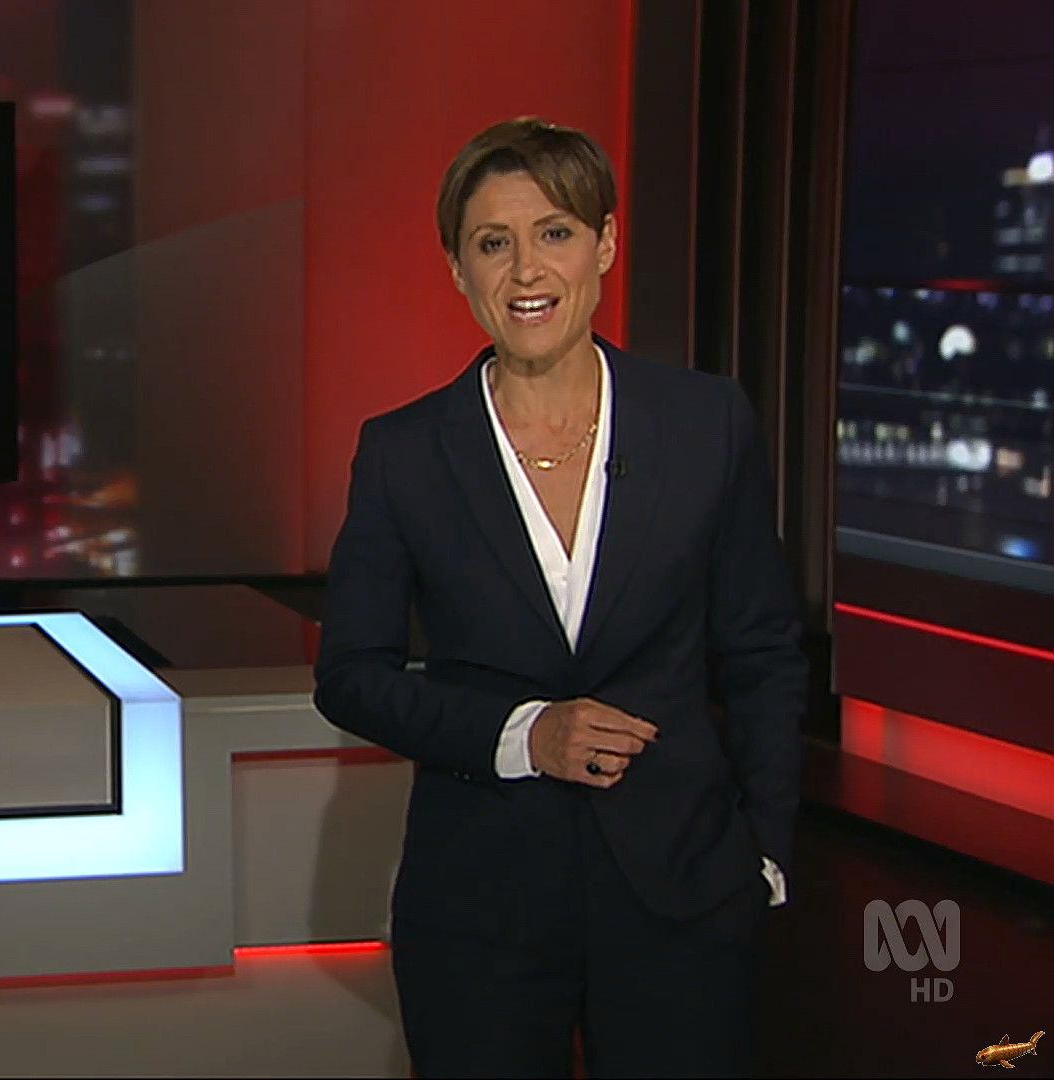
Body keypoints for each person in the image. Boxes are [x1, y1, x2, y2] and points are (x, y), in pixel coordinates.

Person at [312, 117, 805, 1078]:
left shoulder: (706, 422)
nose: (527, 271)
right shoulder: (403, 453)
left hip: (685, 894)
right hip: (479, 910)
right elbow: (351, 675)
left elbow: (762, 651)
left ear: (606, 244)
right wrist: (523, 734)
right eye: (493, 243)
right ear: (458, 270)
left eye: (555, 233)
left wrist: (764, 855)